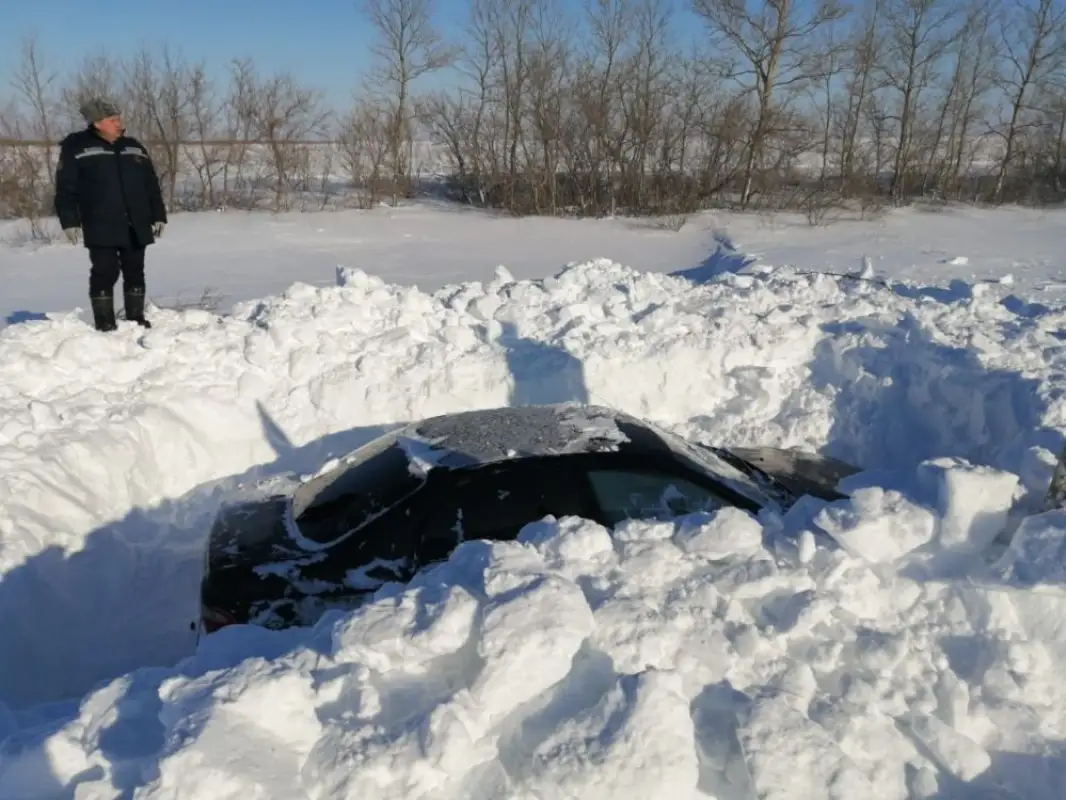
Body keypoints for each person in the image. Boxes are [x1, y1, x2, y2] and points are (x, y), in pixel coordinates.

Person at [53, 98, 168, 331]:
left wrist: (158, 215)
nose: (119, 123)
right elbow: (65, 189)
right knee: (105, 271)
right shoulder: (77, 147)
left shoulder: (133, 146)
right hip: (100, 223)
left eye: (118, 119)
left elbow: (151, 185)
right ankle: (105, 323)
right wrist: (69, 221)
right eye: (112, 120)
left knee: (135, 270)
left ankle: (135, 319)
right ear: (97, 123)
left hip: (135, 221)